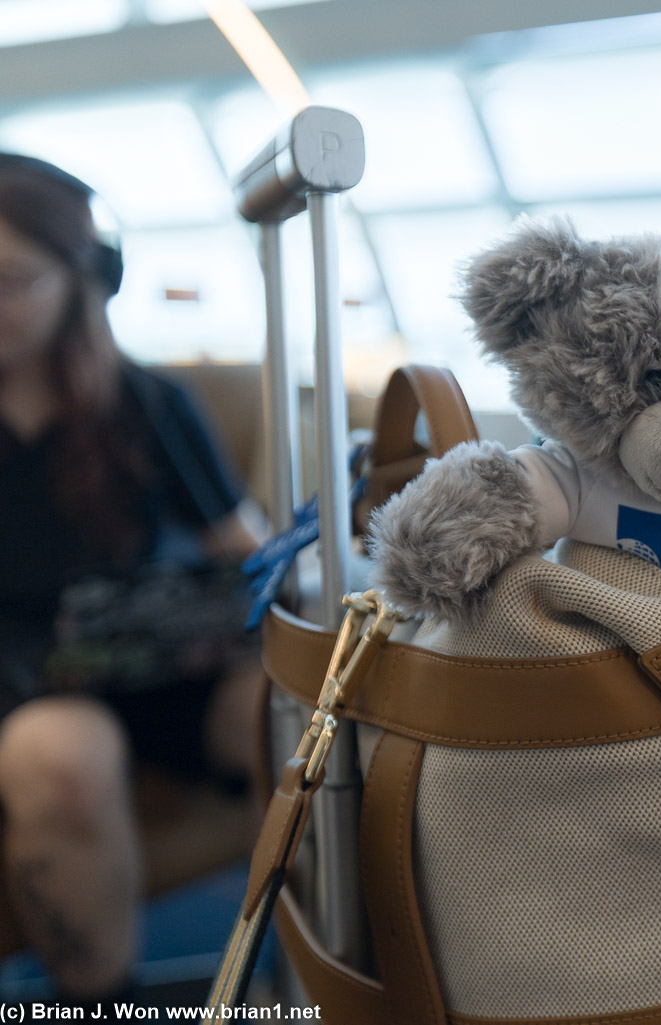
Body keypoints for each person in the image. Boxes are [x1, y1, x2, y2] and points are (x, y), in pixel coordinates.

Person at [0, 153, 264, 1004]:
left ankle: (323, 972)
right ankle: (98, 998)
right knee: (63, 754)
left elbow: (243, 549)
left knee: (292, 711)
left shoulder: (147, 403)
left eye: (13, 281)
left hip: (150, 659)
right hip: (19, 680)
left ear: (87, 283)